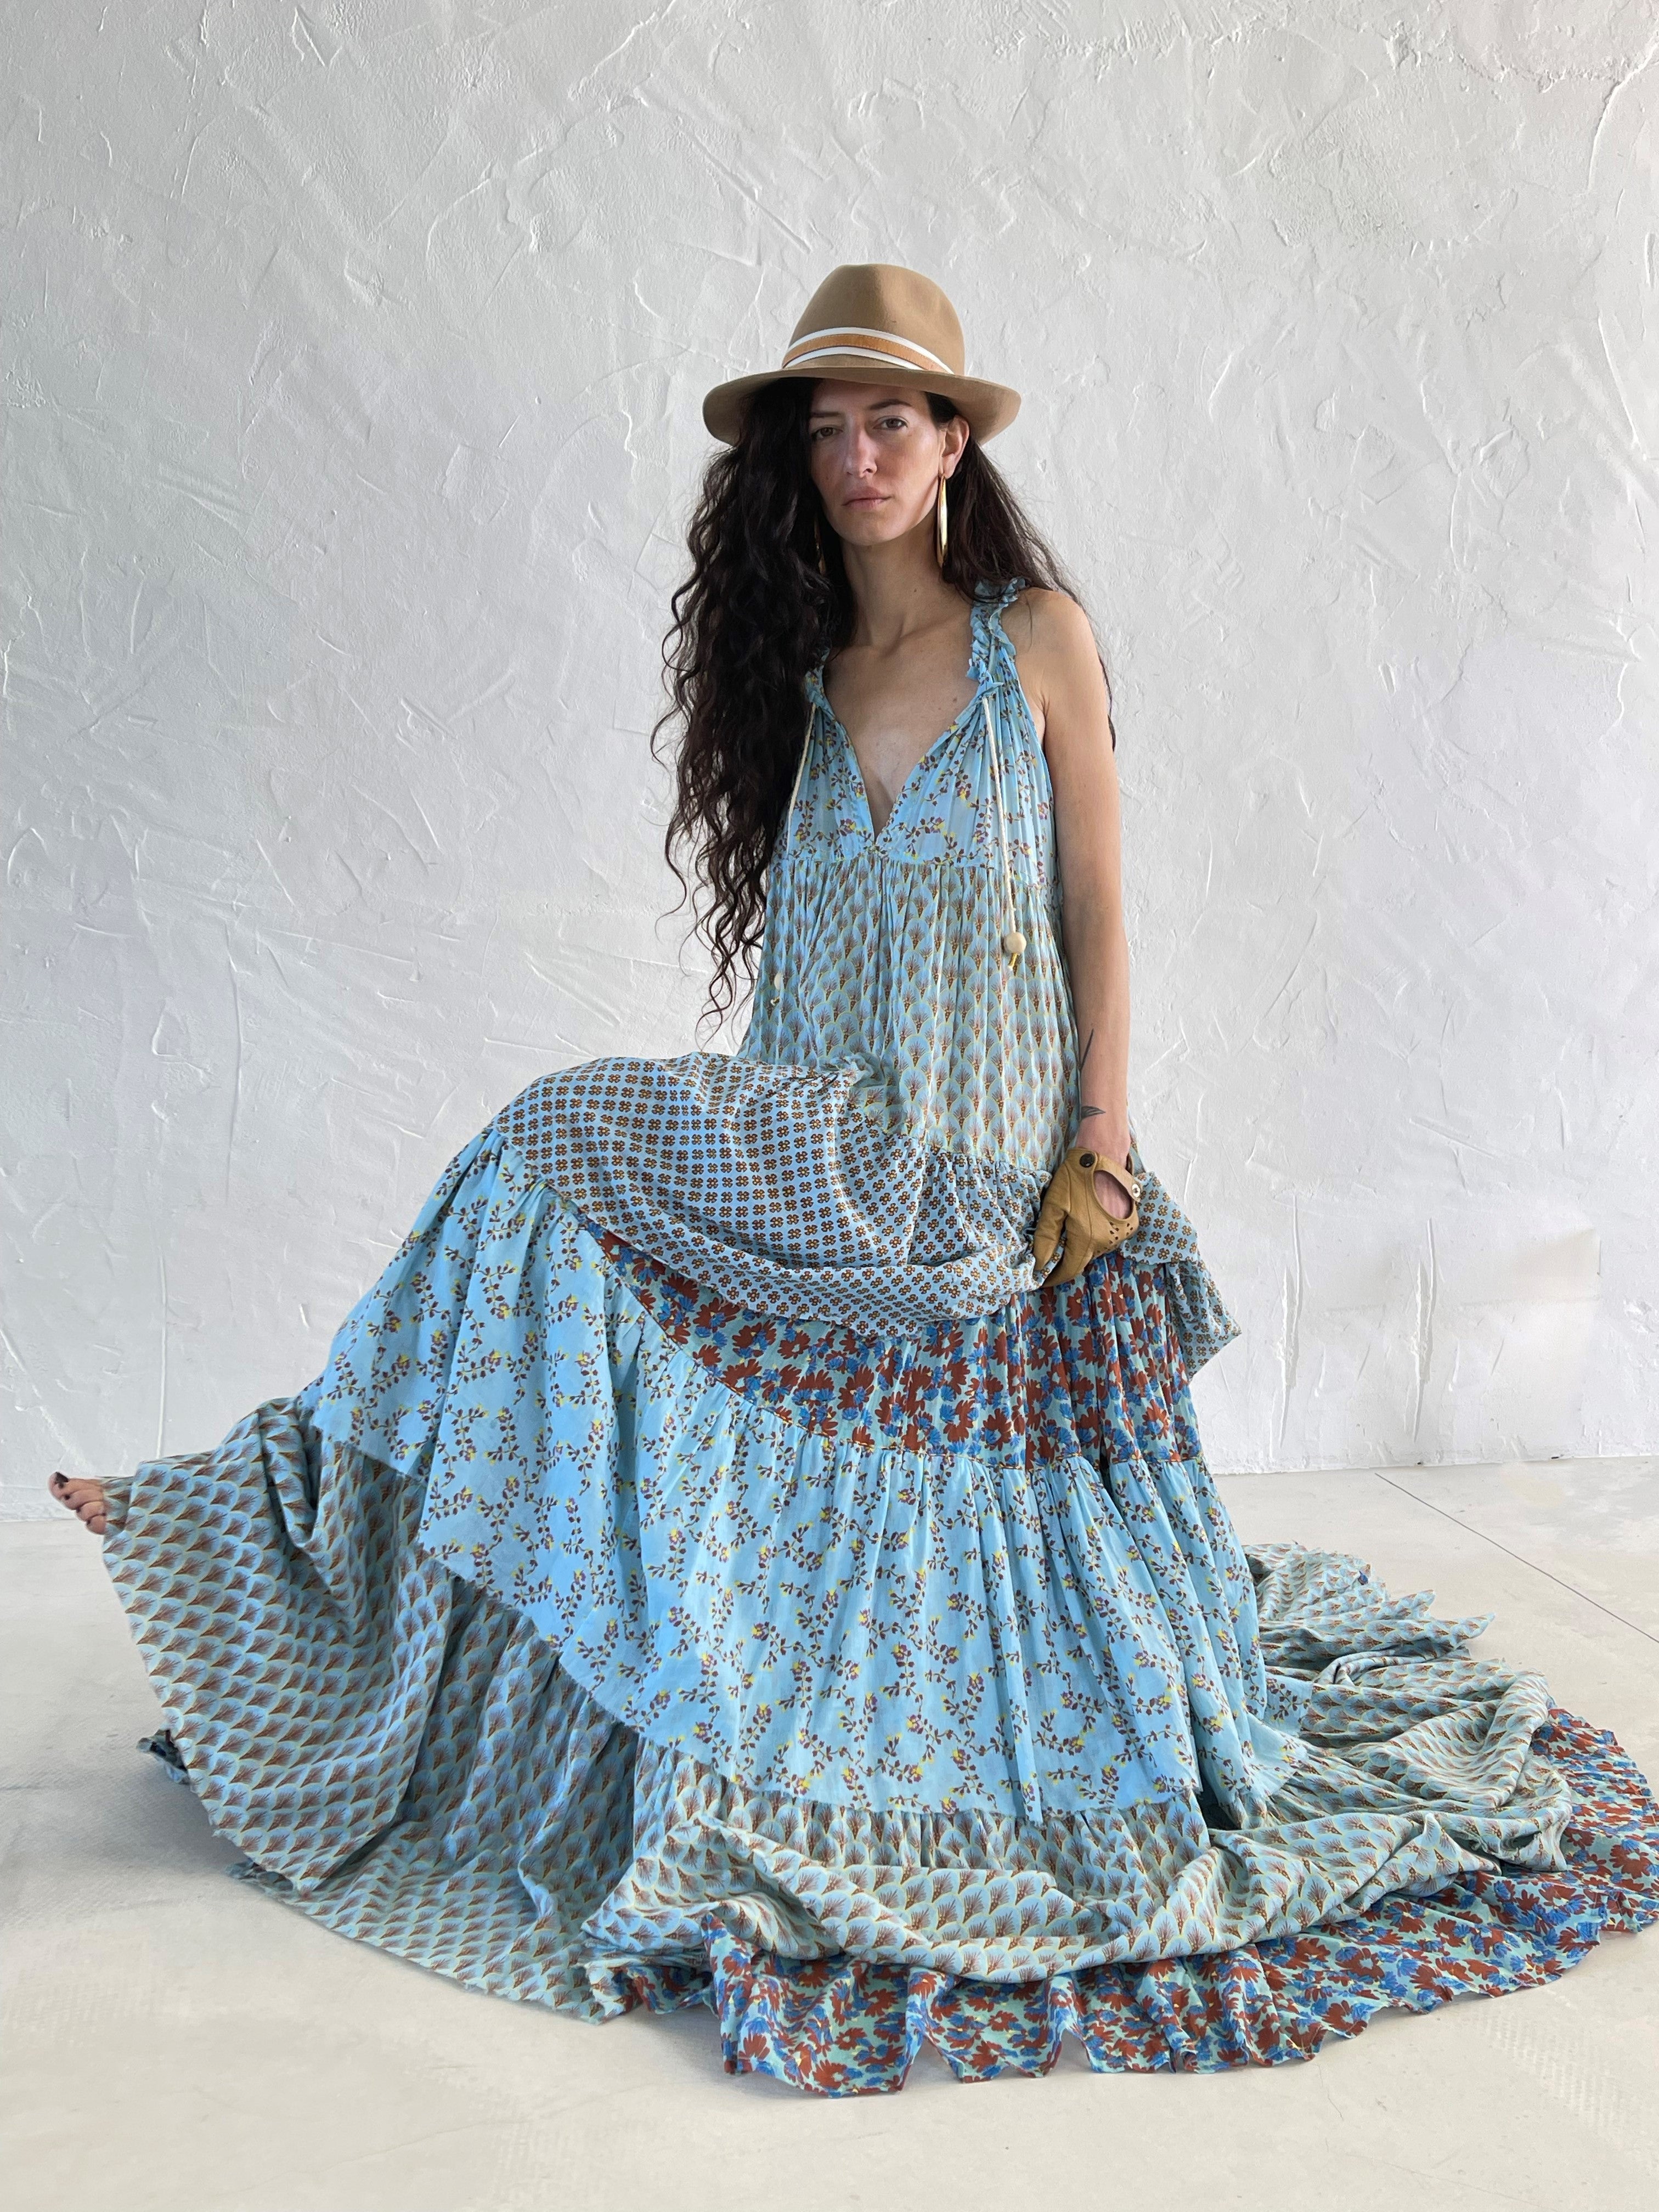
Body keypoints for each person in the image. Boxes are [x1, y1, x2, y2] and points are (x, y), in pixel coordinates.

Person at [49, 264, 1656, 2092]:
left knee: (556, 1151)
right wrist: (738, 1183)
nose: (859, 457)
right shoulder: (809, 685)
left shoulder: (1037, 637)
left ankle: (281, 1509)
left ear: (956, 443)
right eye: (828, 431)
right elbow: (807, 975)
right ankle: (259, 1511)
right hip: (825, 1136)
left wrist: (1105, 1135)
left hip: (987, 1154)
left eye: (894, 420)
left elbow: (1099, 902)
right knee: (537, 1160)